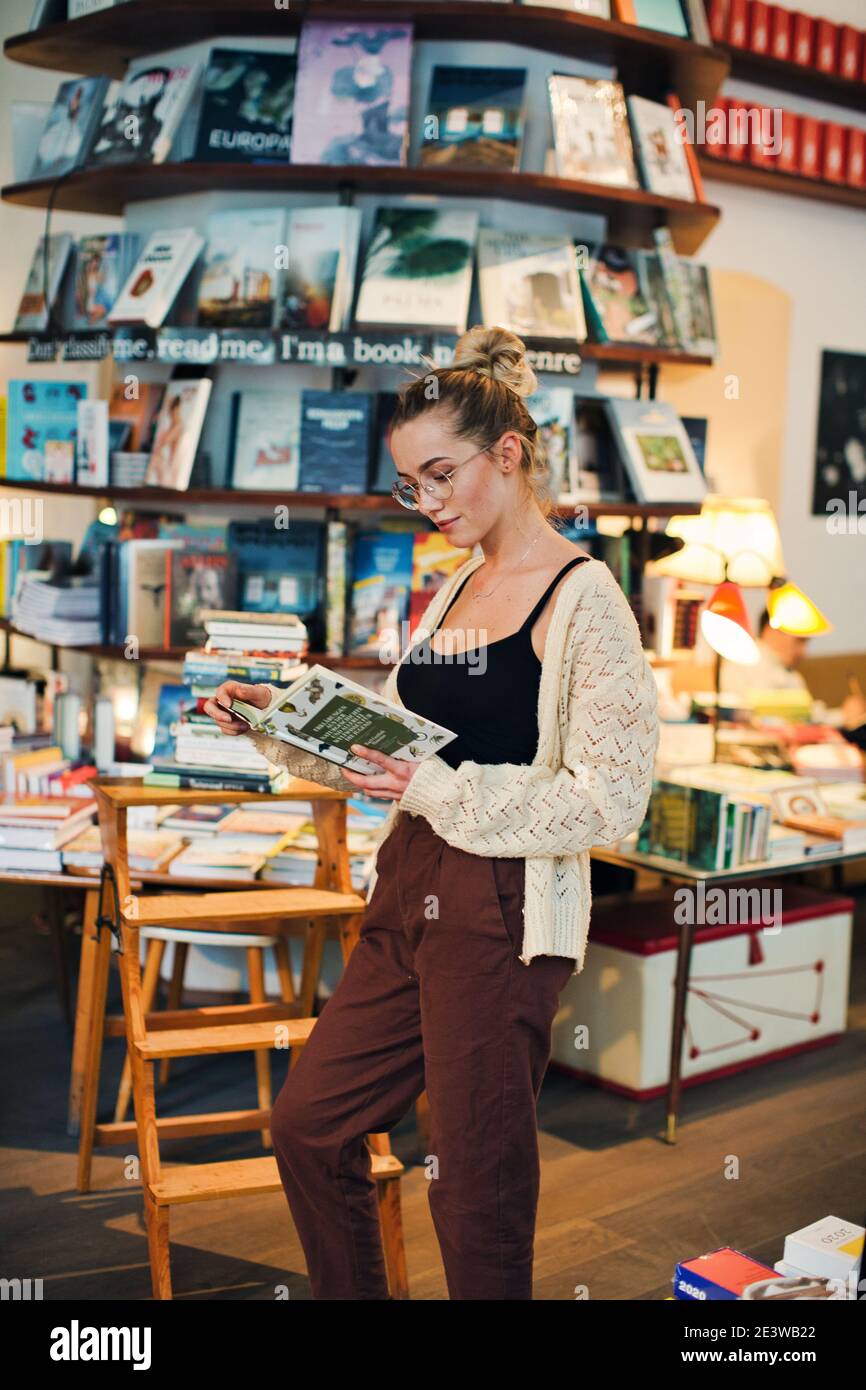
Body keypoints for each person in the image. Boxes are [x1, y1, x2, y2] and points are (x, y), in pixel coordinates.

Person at [204, 325, 659, 1300]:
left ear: (508, 455)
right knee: (312, 1124)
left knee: (472, 1186)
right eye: (411, 484)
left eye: (440, 476)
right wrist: (276, 726)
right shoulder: (453, 584)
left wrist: (438, 793)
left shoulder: (587, 603)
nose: (427, 504)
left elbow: (608, 801)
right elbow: (399, 756)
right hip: (409, 877)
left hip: (500, 904)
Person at [720, 608, 811, 696]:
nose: (803, 652)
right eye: (800, 640)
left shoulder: (794, 677)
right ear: (773, 631)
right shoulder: (740, 662)